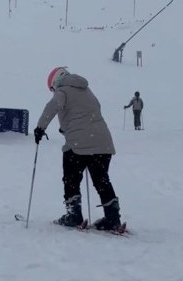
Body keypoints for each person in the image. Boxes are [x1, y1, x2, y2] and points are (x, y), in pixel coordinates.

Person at [33, 67, 123, 231]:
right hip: (103, 143)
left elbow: (52, 106)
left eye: (52, 88)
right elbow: (85, 115)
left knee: (71, 179)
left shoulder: (62, 91)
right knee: (101, 179)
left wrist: (40, 128)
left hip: (78, 145)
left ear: (55, 82)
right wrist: (67, 127)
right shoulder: (87, 91)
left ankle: (74, 214)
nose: (54, 91)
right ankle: (112, 218)